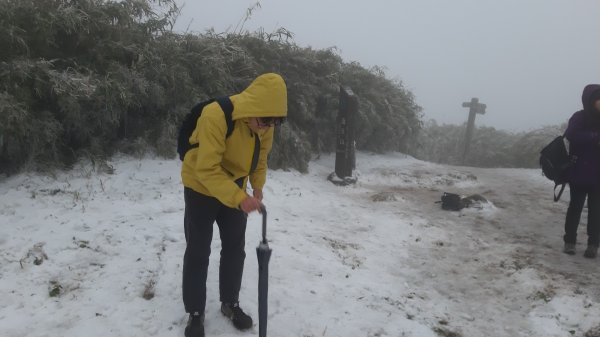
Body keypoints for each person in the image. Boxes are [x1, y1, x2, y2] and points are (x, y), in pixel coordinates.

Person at [180, 73, 287, 337]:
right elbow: (207, 168)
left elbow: (260, 158)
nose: (266, 127)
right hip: (201, 186)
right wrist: (241, 199)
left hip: (236, 189)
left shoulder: (265, 124)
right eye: (264, 120)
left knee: (234, 249)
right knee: (198, 250)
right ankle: (195, 313)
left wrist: (257, 187)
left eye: (274, 122)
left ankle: (230, 302)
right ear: (253, 108)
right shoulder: (216, 115)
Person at [562, 84, 600, 258]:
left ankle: (593, 245)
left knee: (596, 210)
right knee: (575, 208)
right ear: (590, 100)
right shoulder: (580, 117)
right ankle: (570, 241)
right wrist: (594, 137)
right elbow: (571, 134)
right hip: (579, 172)